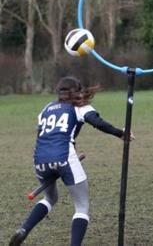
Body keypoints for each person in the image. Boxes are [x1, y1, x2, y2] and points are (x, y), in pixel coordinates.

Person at [10, 76, 132, 246]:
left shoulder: (46, 109)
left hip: (39, 159)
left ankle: (24, 229)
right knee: (82, 207)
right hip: (64, 158)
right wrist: (121, 133)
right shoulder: (79, 107)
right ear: (77, 90)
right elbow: (98, 123)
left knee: (50, 198)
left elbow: (42, 137)